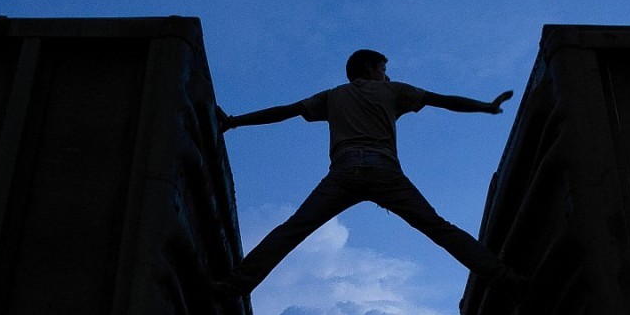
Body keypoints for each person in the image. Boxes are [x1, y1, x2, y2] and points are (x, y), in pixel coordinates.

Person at [213, 49, 524, 300]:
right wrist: (485, 106)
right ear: (372, 69)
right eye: (383, 69)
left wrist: (236, 121)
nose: (387, 75)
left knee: (291, 231)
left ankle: (233, 287)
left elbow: (285, 111)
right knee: (440, 229)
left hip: (344, 172)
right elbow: (442, 101)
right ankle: (507, 280)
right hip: (385, 170)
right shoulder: (392, 91)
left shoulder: (334, 95)